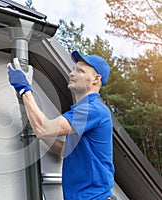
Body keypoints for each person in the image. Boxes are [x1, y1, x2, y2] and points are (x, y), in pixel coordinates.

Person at [7, 50, 116, 200]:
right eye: (73, 69)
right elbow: (64, 151)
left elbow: (44, 129)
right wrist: (37, 130)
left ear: (96, 79)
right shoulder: (81, 112)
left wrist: (24, 89)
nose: (72, 73)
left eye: (80, 71)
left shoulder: (92, 110)